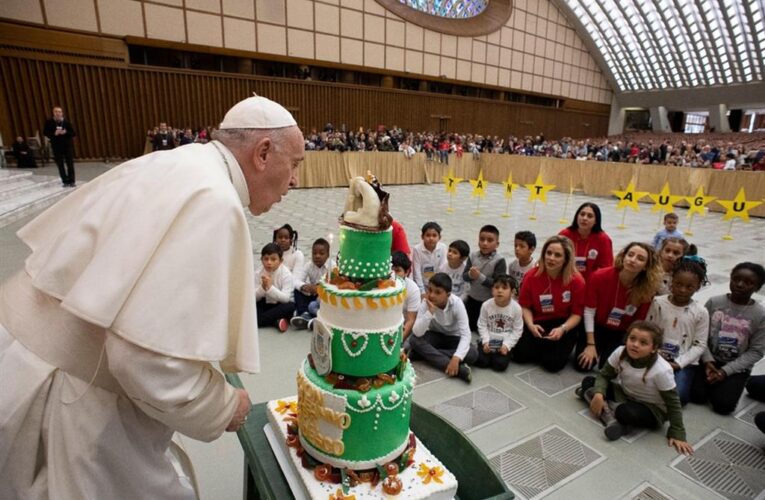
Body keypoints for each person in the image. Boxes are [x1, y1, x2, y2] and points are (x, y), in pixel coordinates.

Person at [0, 96, 304, 499]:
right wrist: (223, 405)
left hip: (24, 360)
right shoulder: (214, 200)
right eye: (296, 164)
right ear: (263, 153)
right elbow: (146, 360)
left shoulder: (176, 163)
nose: (296, 180)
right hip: (79, 400)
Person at [577, 321, 694, 454]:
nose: (635, 345)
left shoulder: (662, 370)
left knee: (624, 412)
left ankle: (602, 407)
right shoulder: (620, 352)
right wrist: (599, 394)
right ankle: (612, 418)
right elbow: (604, 375)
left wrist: (678, 432)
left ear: (654, 348)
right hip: (625, 395)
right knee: (589, 381)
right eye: (632, 339)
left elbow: (673, 403)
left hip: (651, 408)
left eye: (643, 343)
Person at [690, 262, 765, 415]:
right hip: (708, 359)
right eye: (736, 279)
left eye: (748, 282)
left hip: (736, 366)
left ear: (757, 287)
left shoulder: (760, 315)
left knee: (723, 406)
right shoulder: (714, 302)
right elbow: (700, 334)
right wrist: (707, 360)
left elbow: (756, 351)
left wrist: (725, 371)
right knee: (695, 396)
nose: (740, 284)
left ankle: (728, 383)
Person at [576, 242, 661, 371]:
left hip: (621, 332)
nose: (633, 260)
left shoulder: (647, 289)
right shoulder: (599, 276)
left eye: (640, 258)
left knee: (608, 366)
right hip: (596, 326)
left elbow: (638, 323)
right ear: (623, 256)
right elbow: (588, 312)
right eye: (630, 255)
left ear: (645, 267)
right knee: (583, 365)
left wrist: (628, 345)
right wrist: (590, 344)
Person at [513, 236, 586, 372]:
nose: (551, 258)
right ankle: (544, 346)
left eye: (557, 255)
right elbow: (525, 306)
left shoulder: (576, 281)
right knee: (519, 355)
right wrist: (530, 325)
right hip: (537, 319)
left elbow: (577, 314)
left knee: (552, 365)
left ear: (566, 259)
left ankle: (554, 347)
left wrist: (563, 329)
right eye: (549, 253)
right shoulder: (531, 276)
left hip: (563, 322)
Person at [646, 258, 709, 405]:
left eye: (689, 286)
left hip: (683, 363)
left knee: (679, 397)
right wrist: (653, 354)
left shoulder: (701, 312)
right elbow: (648, 329)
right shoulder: (658, 303)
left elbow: (700, 345)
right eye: (679, 284)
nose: (682, 290)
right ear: (671, 281)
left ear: (698, 287)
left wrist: (678, 364)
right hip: (655, 356)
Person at [410, 273, 478, 383]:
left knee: (473, 353)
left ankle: (425, 354)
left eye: (437, 292)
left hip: (453, 338)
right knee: (414, 340)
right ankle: (459, 370)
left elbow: (466, 334)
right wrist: (429, 312)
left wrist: (456, 357)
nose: (431, 295)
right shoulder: (426, 302)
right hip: (435, 336)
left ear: (448, 294)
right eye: (430, 290)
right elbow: (417, 332)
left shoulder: (457, 304)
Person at [474, 275, 523, 372]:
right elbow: (482, 325)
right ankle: (479, 346)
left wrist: (507, 345)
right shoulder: (486, 305)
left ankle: (508, 353)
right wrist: (485, 341)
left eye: (504, 288)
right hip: (489, 339)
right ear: (492, 290)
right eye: (496, 287)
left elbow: (517, 330)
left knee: (499, 365)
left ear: (512, 292)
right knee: (481, 362)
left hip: (504, 342)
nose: (499, 291)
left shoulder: (516, 308)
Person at [463, 225, 507, 332]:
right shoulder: (473, 256)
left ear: (497, 244)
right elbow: (464, 276)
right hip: (472, 299)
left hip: (488, 303)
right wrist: (470, 275)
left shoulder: (500, 260)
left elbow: (497, 284)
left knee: (483, 330)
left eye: (490, 240)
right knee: (469, 327)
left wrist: (479, 277)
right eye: (482, 239)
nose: (485, 243)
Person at [559, 202, 613, 282]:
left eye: (590, 216)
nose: (584, 218)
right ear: (577, 216)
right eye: (582, 214)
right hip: (566, 279)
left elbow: (606, 268)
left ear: (596, 221)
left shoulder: (603, 239)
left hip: (591, 283)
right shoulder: (565, 234)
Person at [290, 238, 332, 330]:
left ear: (328, 255)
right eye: (314, 253)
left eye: (321, 253)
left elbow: (334, 285)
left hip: (324, 297)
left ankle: (317, 317)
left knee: (317, 304)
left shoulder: (332, 267)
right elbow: (296, 281)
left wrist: (319, 288)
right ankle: (305, 314)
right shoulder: (309, 265)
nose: (317, 256)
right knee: (297, 291)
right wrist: (304, 286)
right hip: (313, 294)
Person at [255, 243, 296, 333]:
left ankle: (264, 320)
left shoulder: (286, 274)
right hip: (264, 302)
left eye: (273, 259)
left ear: (280, 261)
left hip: (280, 304)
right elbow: (254, 297)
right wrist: (262, 288)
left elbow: (285, 299)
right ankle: (276, 321)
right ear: (261, 260)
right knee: (251, 309)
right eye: (266, 259)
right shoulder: (258, 273)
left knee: (290, 306)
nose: (269, 262)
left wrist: (269, 288)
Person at [391, 251, 420, 347]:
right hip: (387, 328)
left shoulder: (413, 289)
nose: (393, 275)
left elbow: (411, 320)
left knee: (407, 346)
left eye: (398, 271)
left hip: (404, 330)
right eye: (391, 270)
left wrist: (398, 342)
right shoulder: (383, 287)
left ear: (407, 272)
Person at [43, 105, 76, 187]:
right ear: (53, 113)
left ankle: (72, 181)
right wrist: (54, 134)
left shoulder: (66, 122)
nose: (58, 113)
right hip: (56, 146)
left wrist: (65, 132)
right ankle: (65, 181)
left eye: (59, 112)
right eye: (56, 111)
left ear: (62, 113)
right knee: (60, 164)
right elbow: (45, 133)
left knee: (70, 164)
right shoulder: (49, 122)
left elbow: (73, 133)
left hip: (67, 146)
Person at [412, 221, 447, 295]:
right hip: (421, 284)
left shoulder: (443, 248)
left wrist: (437, 288)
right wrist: (422, 292)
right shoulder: (417, 249)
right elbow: (417, 272)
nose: (431, 238)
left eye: (434, 235)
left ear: (439, 237)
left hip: (437, 284)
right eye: (428, 235)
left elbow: (442, 268)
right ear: (422, 236)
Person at [507, 230, 536, 295]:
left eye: (522, 246)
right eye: (515, 245)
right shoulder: (512, 265)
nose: (517, 249)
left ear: (531, 249)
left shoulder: (535, 268)